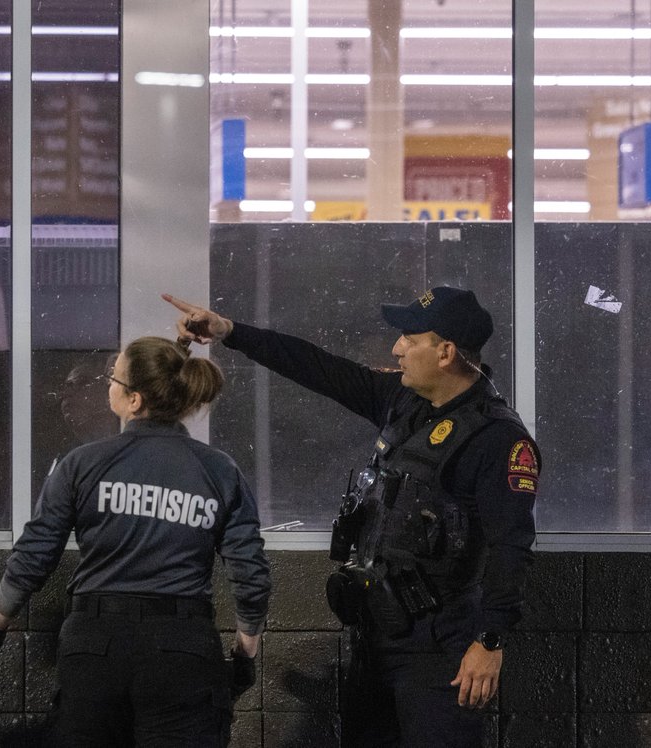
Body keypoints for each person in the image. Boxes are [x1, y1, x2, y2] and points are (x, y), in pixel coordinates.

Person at [165, 287, 538, 748]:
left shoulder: (497, 439)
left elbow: (512, 547)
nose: (396, 348)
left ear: (445, 353)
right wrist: (230, 332)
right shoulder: (404, 403)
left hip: (440, 649)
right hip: (375, 636)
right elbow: (318, 367)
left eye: (409, 338)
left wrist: (490, 642)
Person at [0, 336, 271, 747]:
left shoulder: (82, 464)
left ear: (134, 400)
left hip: (95, 648)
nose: (107, 385)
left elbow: (33, 557)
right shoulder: (220, 471)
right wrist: (245, 655)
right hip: (182, 650)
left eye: (113, 378)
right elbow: (250, 573)